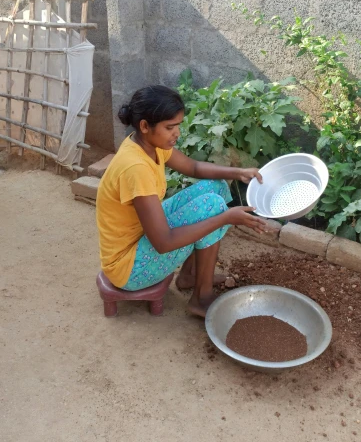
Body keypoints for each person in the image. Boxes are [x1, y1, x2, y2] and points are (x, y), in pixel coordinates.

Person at [97, 85, 267, 317]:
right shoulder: (135, 167)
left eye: (177, 125)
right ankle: (201, 298)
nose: (176, 133)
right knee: (214, 208)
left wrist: (237, 173)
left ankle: (190, 276)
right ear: (145, 126)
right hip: (129, 268)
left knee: (216, 187)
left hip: (141, 240)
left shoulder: (148, 144)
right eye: (170, 127)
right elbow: (163, 243)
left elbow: (193, 167)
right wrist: (225, 217)